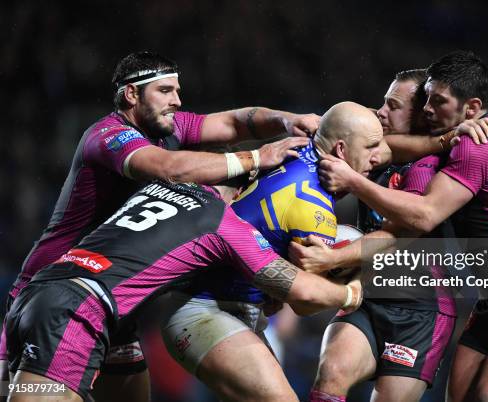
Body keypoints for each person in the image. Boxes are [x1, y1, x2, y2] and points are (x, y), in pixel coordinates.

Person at [0, 50, 316, 402]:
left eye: (177, 91)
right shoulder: (107, 137)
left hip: (109, 303)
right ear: (131, 95)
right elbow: (169, 167)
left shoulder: (168, 130)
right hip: (60, 291)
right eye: (165, 91)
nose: (177, 101)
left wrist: (290, 120)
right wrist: (256, 157)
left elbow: (235, 123)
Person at [310, 50, 488, 402]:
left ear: (471, 109)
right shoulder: (454, 137)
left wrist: (353, 179)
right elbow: (385, 144)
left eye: (437, 101)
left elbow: (422, 216)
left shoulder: (476, 146)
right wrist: (438, 138)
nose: (427, 109)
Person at [4, 179, 363, 402]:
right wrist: (353, 293)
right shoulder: (223, 220)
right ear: (241, 192)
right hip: (80, 308)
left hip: (52, 296)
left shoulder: (158, 188)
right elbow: (301, 291)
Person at [158, 101, 382, 402]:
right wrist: (356, 281)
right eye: (371, 147)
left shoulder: (291, 150)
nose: (377, 157)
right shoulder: (312, 206)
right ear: (341, 150)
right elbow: (304, 302)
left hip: (226, 305)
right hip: (203, 310)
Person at [290, 70, 477, 402]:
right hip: (367, 293)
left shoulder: (428, 169)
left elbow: (396, 235)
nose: (380, 112)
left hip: (421, 310)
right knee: (331, 373)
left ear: (421, 116)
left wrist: (331, 258)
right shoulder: (374, 152)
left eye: (392, 105)